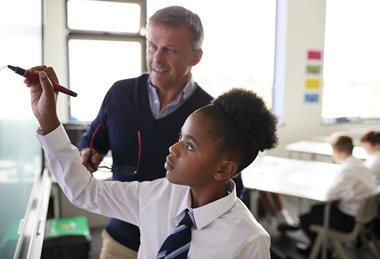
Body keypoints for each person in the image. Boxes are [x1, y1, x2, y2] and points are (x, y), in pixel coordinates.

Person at [26, 68, 278, 258]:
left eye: (189, 145)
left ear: (224, 169)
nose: (173, 148)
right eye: (181, 137)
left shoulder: (248, 239)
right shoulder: (159, 195)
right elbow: (85, 191)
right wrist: (48, 120)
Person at [75, 6, 245, 258]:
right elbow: (92, 141)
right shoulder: (119, 95)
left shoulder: (212, 114)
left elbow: (232, 189)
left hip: (180, 247)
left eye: (170, 50)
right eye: (152, 46)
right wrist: (87, 152)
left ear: (195, 57)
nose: (157, 58)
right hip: (121, 239)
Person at [279, 134, 377, 255]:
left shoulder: (347, 170)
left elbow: (329, 196)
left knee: (306, 218)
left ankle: (319, 251)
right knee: (315, 209)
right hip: (365, 217)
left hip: (350, 220)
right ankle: (310, 239)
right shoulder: (358, 164)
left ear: (339, 151)